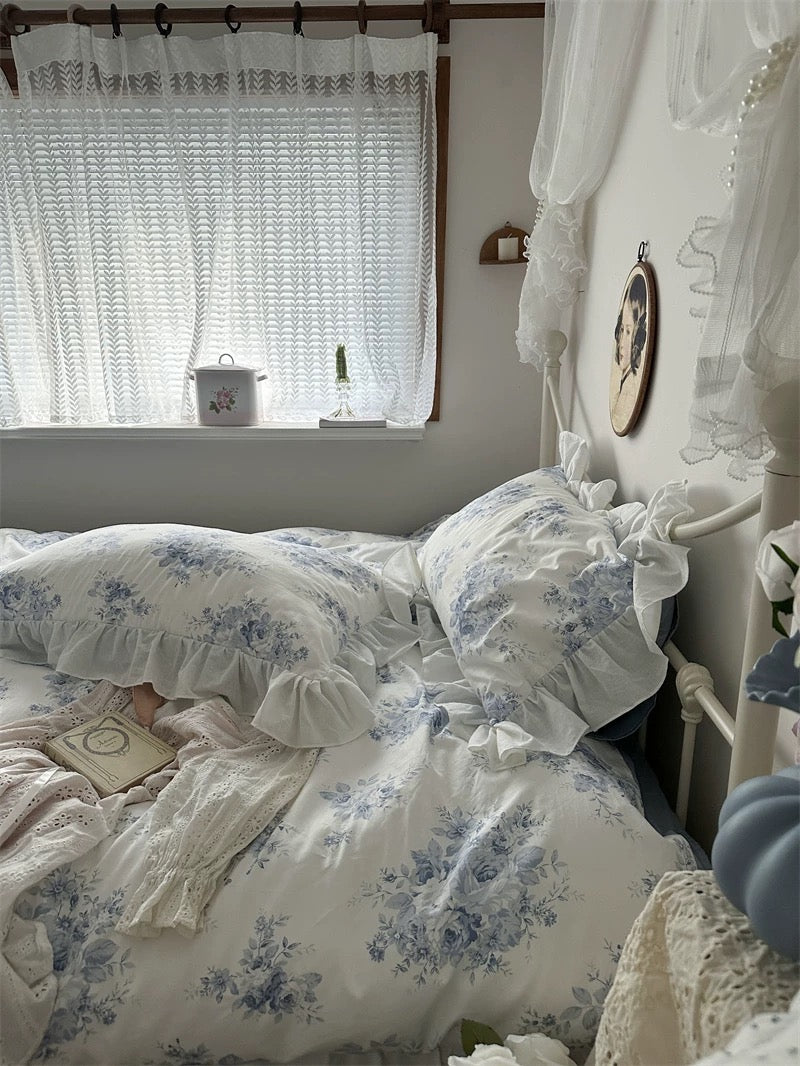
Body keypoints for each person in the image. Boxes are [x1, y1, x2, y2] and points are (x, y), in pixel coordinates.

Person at [610, 271, 648, 432]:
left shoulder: (630, 391)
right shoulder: (621, 388)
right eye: (621, 329)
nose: (621, 342)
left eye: (627, 331)